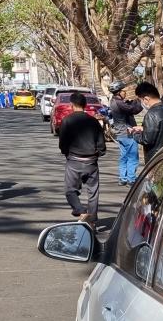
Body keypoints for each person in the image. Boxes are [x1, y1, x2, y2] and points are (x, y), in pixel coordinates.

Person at [59, 92, 106, 225]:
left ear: (71, 104)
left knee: (70, 190)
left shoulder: (67, 120)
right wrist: (99, 152)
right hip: (91, 162)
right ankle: (92, 221)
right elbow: (101, 143)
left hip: (74, 160)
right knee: (93, 192)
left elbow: (62, 143)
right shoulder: (93, 121)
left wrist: (66, 152)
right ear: (85, 105)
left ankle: (81, 212)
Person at [132, 82, 163, 160]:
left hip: (156, 158)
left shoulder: (151, 114)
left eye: (140, 100)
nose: (142, 103)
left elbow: (147, 140)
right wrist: (145, 129)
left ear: (146, 99)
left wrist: (134, 133)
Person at [108, 82, 143, 186]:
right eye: (124, 91)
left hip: (120, 134)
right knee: (132, 157)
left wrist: (133, 101)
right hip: (127, 133)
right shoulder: (119, 103)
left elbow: (129, 106)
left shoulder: (115, 101)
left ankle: (123, 178)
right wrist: (139, 100)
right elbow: (134, 109)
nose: (125, 93)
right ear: (118, 92)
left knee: (124, 157)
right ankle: (131, 179)